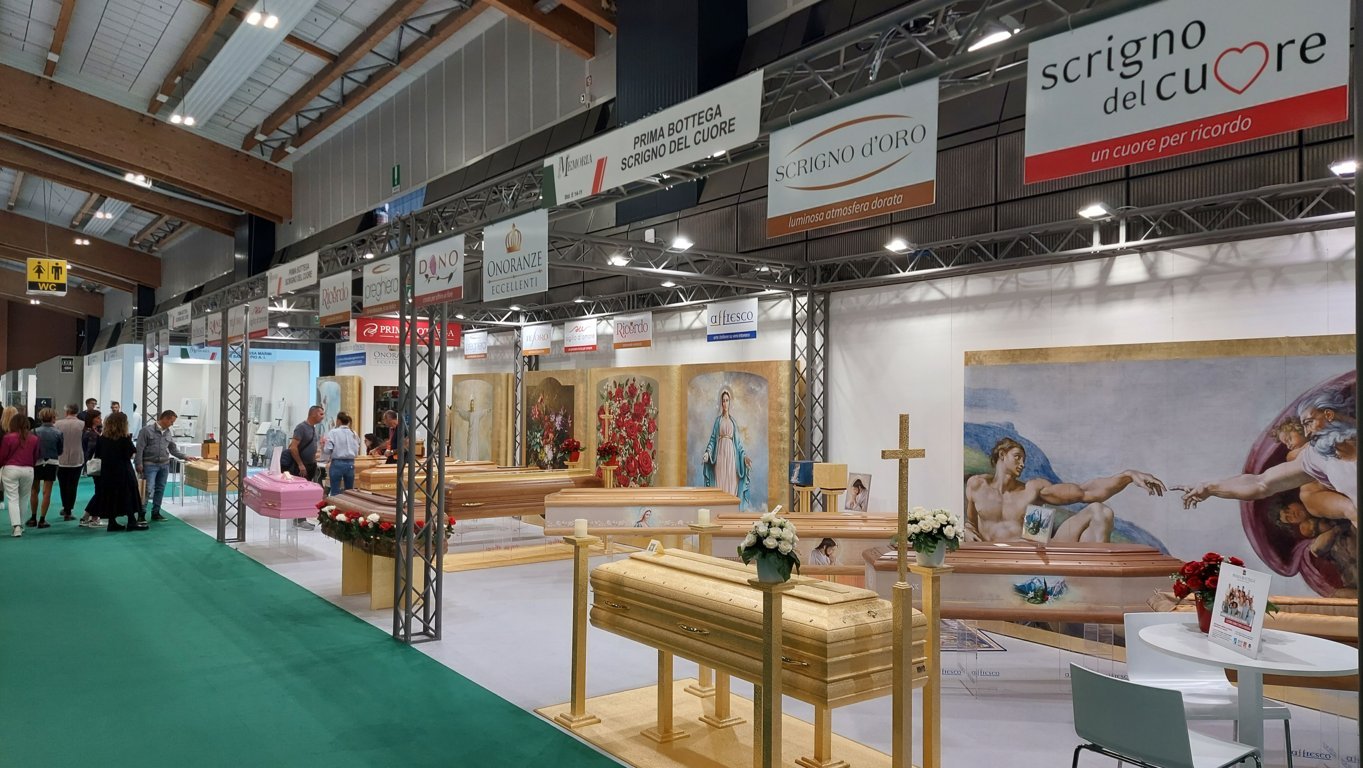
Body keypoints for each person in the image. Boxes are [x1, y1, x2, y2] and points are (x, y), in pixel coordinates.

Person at [1182, 389, 1358, 523]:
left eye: (1309, 423)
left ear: (1328, 415)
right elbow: (1261, 483)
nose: (1307, 433)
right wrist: (1211, 488)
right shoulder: (1316, 458)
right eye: (1303, 426)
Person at [964, 437, 1166, 543]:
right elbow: (970, 523)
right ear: (1002, 454)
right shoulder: (976, 485)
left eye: (1024, 459)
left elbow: (1084, 492)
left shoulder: (1032, 489)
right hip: (995, 558)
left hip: (1032, 555)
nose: (1022, 464)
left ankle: (1095, 587)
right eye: (1017, 457)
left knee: (1099, 511)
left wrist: (1127, 476)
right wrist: (966, 530)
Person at [135, 410, 192, 523]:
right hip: (149, 464)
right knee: (147, 489)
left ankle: (156, 512)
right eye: (171, 421)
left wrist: (185, 456)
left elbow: (173, 449)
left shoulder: (168, 432)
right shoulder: (146, 431)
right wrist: (139, 464)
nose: (172, 424)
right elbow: (139, 448)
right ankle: (141, 514)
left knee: (160, 489)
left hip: (164, 465)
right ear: (165, 418)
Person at [92, 412, 144, 532]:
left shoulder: (102, 438)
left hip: (107, 472)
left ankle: (112, 522)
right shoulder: (125, 438)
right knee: (128, 495)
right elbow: (130, 453)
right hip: (123, 471)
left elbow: (98, 454)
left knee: (111, 496)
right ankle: (131, 521)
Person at [702, 390, 752, 507]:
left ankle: (730, 511)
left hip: (731, 457)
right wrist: (708, 453)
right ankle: (720, 509)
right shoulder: (718, 421)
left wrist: (744, 457)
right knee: (720, 482)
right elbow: (713, 440)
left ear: (730, 402)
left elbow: (738, 444)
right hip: (720, 455)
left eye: (727, 400)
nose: (725, 403)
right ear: (721, 403)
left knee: (732, 483)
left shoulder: (733, 422)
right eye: (723, 401)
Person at [0, 407, 39, 538]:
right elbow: (35, 456)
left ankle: (16, 527)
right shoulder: (34, 438)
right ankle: (21, 524)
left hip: (11, 469)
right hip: (28, 470)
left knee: (12, 498)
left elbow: (2, 456)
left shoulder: (8, 438)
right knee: (24, 497)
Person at [285, 405, 325, 530]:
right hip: (301, 467)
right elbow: (293, 447)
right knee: (300, 493)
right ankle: (299, 519)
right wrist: (300, 464)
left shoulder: (313, 428)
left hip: (310, 465)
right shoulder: (301, 428)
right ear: (313, 414)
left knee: (305, 493)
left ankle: (301, 517)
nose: (323, 417)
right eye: (321, 414)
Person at [28, 408, 61, 528]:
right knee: (47, 492)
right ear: (53, 418)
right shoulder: (58, 432)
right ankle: (42, 520)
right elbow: (60, 450)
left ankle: (33, 518)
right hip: (52, 462)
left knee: (34, 491)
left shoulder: (33, 431)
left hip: (36, 462)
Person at [55, 404, 84, 521]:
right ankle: (68, 510)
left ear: (66, 412)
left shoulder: (57, 424)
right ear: (77, 412)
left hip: (60, 458)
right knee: (73, 485)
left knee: (63, 485)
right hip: (77, 459)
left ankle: (65, 507)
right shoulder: (82, 424)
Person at [320, 412, 360, 497]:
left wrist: (323, 447)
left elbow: (328, 450)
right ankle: (348, 505)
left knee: (335, 491)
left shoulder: (333, 432)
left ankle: (335, 505)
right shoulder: (354, 433)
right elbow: (357, 450)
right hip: (350, 463)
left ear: (338, 420)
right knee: (349, 491)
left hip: (337, 463)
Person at [80, 412, 103, 527]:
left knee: (99, 491)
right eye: (98, 418)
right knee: (100, 492)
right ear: (92, 419)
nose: (100, 419)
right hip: (96, 465)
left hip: (93, 464)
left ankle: (87, 516)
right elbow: (90, 451)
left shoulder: (92, 431)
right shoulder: (91, 434)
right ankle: (93, 517)